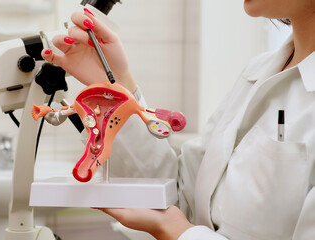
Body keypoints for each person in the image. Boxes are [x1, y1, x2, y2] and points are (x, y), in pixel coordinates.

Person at [41, 1, 315, 239]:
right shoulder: (256, 73)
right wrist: (117, 91)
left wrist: (178, 234)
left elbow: (179, 223)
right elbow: (178, 195)